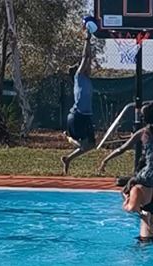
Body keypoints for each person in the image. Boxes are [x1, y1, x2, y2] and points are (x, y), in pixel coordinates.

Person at [61, 30, 95, 175]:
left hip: (84, 115)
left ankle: (68, 159)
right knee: (83, 145)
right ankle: (68, 137)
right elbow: (85, 57)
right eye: (85, 65)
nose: (88, 65)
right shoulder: (79, 76)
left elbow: (89, 58)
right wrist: (87, 39)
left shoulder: (86, 78)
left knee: (91, 145)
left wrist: (90, 46)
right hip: (77, 115)